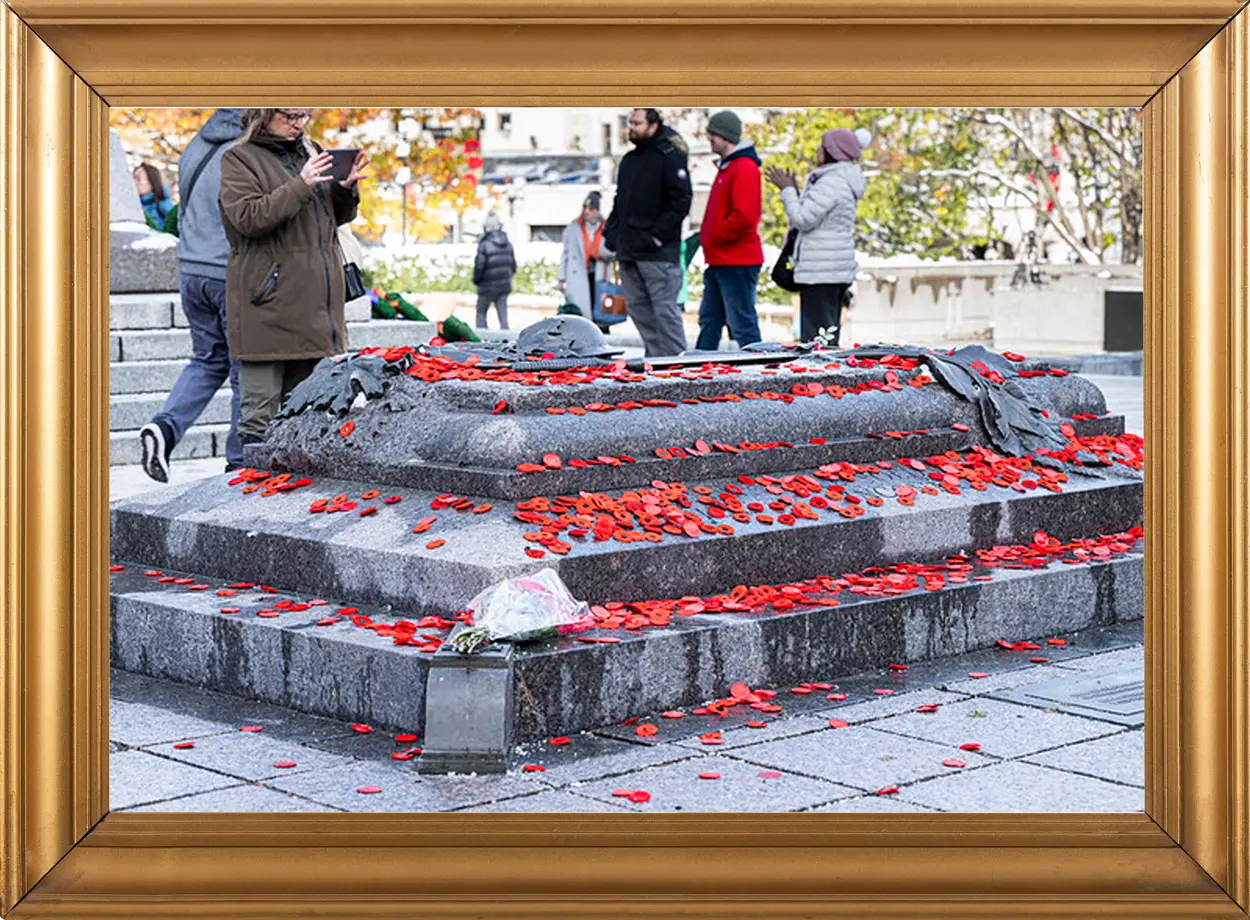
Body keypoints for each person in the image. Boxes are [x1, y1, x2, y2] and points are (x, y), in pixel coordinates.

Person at [217, 107, 366, 447]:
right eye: (290, 116)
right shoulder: (239, 158)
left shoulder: (312, 151)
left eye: (304, 116)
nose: (298, 124)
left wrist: (345, 189)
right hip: (267, 308)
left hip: (316, 310)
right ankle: (248, 480)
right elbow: (247, 218)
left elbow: (332, 219)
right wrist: (301, 184)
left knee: (309, 419)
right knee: (259, 423)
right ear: (264, 113)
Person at [139, 109, 246, 482]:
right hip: (228, 271)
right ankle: (240, 462)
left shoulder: (196, 146)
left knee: (207, 359)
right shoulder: (248, 149)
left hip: (191, 270)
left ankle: (165, 428)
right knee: (245, 369)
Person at [603, 108, 693, 357]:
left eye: (637, 123)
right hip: (629, 251)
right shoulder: (630, 160)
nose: (630, 128)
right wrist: (612, 234)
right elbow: (621, 201)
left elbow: (680, 202)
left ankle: (676, 365)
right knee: (638, 310)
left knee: (665, 314)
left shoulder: (669, 157)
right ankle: (656, 362)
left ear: (653, 126)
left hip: (658, 255)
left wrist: (656, 237)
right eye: (630, 122)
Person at [765, 127, 867, 345]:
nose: (818, 150)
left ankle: (824, 370)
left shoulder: (832, 182)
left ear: (833, 152)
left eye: (823, 146)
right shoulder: (840, 179)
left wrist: (787, 191)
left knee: (818, 342)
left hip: (822, 271)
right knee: (825, 337)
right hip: (829, 269)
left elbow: (803, 219)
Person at [695, 110, 763, 352]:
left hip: (736, 260)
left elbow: (744, 217)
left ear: (726, 136)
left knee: (742, 324)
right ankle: (700, 365)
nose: (709, 139)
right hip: (721, 259)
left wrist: (714, 237)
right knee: (709, 322)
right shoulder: (729, 167)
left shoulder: (743, 168)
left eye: (713, 134)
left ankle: (761, 365)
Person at [557, 191, 614, 329]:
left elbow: (614, 248)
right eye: (585, 207)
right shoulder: (574, 226)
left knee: (600, 306)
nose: (587, 211)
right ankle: (583, 331)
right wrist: (561, 277)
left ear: (597, 210)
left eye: (591, 208)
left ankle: (602, 331)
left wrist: (602, 252)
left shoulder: (606, 226)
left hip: (600, 271)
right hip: (578, 273)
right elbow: (565, 253)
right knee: (580, 311)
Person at [473, 213, 517, 330]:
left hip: (486, 286)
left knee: (481, 314)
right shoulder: (508, 244)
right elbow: (513, 265)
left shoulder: (484, 244)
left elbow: (479, 266)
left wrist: (476, 280)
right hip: (503, 285)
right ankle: (507, 337)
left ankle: (481, 338)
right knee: (503, 317)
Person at [133, 162, 174, 229]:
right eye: (133, 178)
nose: (134, 182)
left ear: (151, 181)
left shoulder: (163, 203)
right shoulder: (131, 204)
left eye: (138, 179)